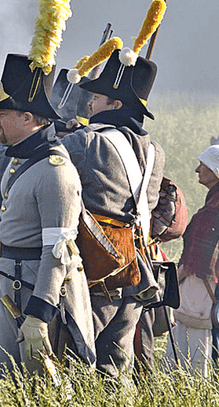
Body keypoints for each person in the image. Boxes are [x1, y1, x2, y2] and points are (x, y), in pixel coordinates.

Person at [0, 53, 96, 375]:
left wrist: (39, 315)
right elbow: (20, 225)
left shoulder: (56, 171)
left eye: (2, 112)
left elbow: (58, 250)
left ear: (27, 118)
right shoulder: (21, 161)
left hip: (38, 294)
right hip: (12, 286)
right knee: (1, 382)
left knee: (39, 389)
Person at [61, 47, 165, 378]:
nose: (89, 102)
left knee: (74, 363)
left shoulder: (87, 142)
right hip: (136, 270)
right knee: (114, 371)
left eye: (98, 96)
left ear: (116, 105)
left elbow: (32, 174)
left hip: (96, 270)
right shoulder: (155, 152)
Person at [168, 145, 219, 372]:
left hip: (205, 287)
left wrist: (176, 279)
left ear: (216, 170)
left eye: (202, 165)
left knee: (194, 350)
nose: (197, 170)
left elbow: (201, 256)